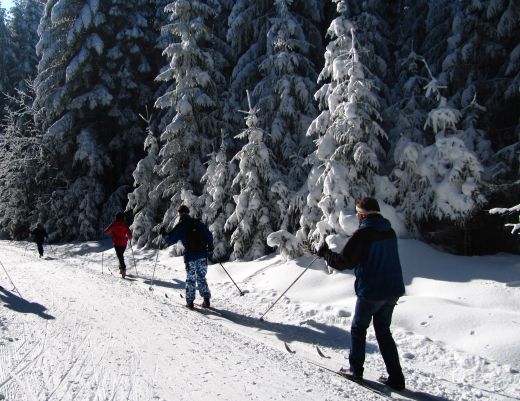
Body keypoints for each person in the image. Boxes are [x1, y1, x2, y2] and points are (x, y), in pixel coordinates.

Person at [316, 197, 406, 391]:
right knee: (383, 331)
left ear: (363, 214)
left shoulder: (364, 233)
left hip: (372, 290)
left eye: (357, 212)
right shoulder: (389, 231)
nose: (356, 216)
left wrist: (325, 254)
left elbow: (344, 262)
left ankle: (355, 371)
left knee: (358, 328)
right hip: (392, 289)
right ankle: (396, 378)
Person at [163, 205, 213, 309]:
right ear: (188, 212)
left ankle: (190, 302)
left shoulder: (181, 226)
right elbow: (209, 235)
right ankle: (206, 300)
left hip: (190, 257)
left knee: (191, 279)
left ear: (179, 214)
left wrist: (163, 233)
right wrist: (211, 245)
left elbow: (170, 240)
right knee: (201, 277)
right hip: (203, 255)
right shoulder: (197, 222)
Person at [104, 212, 132, 278]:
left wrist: (111, 230)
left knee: (120, 256)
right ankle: (121, 268)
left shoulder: (114, 224)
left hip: (116, 243)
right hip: (124, 243)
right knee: (120, 256)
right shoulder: (125, 225)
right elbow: (130, 236)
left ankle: (123, 268)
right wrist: (128, 237)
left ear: (116, 217)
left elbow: (106, 232)